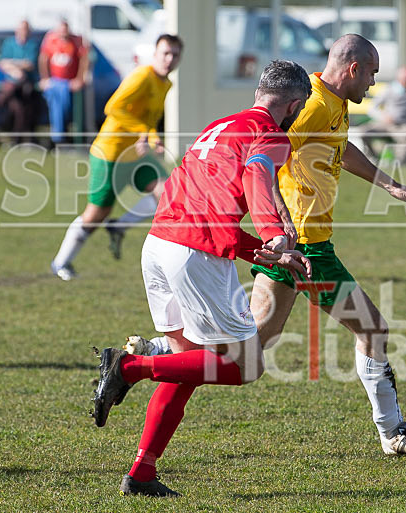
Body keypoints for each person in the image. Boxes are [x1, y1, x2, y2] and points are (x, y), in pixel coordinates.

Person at [92, 60, 314, 497]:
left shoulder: (222, 125)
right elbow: (256, 177)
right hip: (195, 255)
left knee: (187, 366)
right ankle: (130, 368)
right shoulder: (270, 135)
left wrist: (263, 252)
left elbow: (212, 214)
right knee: (245, 365)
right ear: (292, 104)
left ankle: (142, 473)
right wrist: (275, 238)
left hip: (159, 244)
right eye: (300, 108)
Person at [250, 35, 406, 456]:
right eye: (372, 74)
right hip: (306, 247)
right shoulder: (314, 105)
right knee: (373, 328)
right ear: (353, 69)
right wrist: (283, 225)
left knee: (252, 347)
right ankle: (393, 432)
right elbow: (266, 161)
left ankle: (141, 360)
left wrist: (389, 185)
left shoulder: (332, 104)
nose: (374, 85)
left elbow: (342, 150)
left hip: (289, 244)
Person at [50, 34, 183, 280]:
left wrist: (146, 139)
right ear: (155, 54)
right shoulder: (143, 76)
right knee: (95, 214)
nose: (169, 59)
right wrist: (147, 132)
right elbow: (114, 107)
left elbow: (146, 118)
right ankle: (60, 263)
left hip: (134, 153)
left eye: (175, 54)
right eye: (165, 53)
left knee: (168, 192)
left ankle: (118, 226)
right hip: (109, 152)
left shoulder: (165, 84)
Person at [359, 66, 406, 162]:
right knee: (363, 132)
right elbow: (372, 108)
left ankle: (401, 162)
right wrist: (383, 116)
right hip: (385, 124)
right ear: (398, 78)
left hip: (402, 126)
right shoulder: (388, 90)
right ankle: (373, 159)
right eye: (404, 78)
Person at [38, 18, 87, 145]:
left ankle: (62, 135)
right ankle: (58, 137)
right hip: (55, 82)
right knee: (56, 106)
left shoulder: (75, 43)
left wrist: (79, 79)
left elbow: (84, 60)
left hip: (68, 83)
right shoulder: (51, 41)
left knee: (66, 106)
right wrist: (45, 78)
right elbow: (43, 60)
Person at [0, 20, 40, 145]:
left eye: (25, 29)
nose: (23, 32)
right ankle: (15, 138)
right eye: (21, 29)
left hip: (26, 86)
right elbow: (2, 63)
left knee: (22, 110)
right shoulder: (9, 43)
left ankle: (17, 139)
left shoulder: (32, 45)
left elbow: (29, 64)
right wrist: (16, 70)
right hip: (12, 83)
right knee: (17, 109)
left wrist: (12, 64)